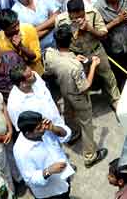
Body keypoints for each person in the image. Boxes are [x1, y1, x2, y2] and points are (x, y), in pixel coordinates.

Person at [43, 25, 108, 168]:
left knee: (68, 113)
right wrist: (93, 66)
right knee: (86, 124)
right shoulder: (75, 67)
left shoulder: (49, 53)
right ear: (71, 41)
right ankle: (90, 156)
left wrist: (72, 58)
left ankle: (71, 135)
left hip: (64, 90)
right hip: (78, 96)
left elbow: (49, 70)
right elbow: (85, 87)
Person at [54, 0, 121, 108]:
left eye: (80, 16)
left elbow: (103, 34)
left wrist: (90, 29)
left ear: (84, 10)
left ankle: (115, 99)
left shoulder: (93, 13)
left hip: (96, 50)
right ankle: (86, 106)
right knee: (81, 82)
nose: (78, 20)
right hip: (77, 55)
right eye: (74, 18)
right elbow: (60, 41)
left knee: (108, 76)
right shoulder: (61, 20)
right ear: (69, 13)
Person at [13, 111, 73, 199]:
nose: (44, 127)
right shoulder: (21, 151)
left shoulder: (46, 130)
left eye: (42, 124)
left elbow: (66, 135)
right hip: (51, 192)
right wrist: (49, 171)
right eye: (39, 128)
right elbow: (30, 179)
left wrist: (54, 128)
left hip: (64, 177)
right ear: (28, 133)